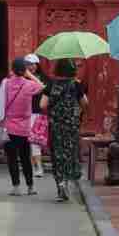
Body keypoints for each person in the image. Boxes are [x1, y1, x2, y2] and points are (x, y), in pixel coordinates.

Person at [41, 58, 87, 203]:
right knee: (70, 152)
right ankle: (67, 180)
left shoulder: (51, 85)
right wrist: (78, 111)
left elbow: (42, 104)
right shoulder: (76, 85)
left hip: (56, 125)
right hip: (72, 126)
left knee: (57, 153)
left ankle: (60, 184)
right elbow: (85, 103)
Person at [1, 57, 45, 196]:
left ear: (12, 69)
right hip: (24, 127)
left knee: (12, 158)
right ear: (24, 70)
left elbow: (0, 102)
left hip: (9, 127)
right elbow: (42, 86)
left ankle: (16, 187)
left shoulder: (6, 83)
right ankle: (30, 186)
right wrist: (30, 75)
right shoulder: (29, 85)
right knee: (25, 157)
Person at [24, 54, 46, 177]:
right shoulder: (22, 79)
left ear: (37, 65)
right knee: (28, 142)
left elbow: (44, 88)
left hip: (37, 113)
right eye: (28, 64)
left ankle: (38, 167)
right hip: (24, 113)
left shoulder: (42, 78)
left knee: (35, 142)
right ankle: (32, 166)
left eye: (33, 64)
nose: (30, 67)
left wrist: (30, 76)